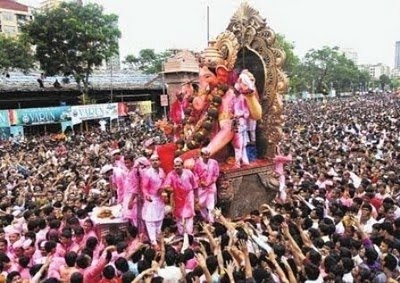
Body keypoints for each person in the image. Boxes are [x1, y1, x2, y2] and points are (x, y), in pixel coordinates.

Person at [163, 157, 198, 235]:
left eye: (179, 165)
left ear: (182, 166)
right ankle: (181, 233)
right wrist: (170, 189)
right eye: (175, 166)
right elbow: (166, 185)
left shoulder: (189, 173)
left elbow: (195, 186)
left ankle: (189, 233)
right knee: (179, 215)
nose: (177, 167)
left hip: (188, 197)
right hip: (177, 197)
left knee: (189, 215)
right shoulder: (171, 174)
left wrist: (196, 197)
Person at [141, 154, 166, 246]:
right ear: (150, 162)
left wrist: (163, 190)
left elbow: (164, 182)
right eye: (153, 160)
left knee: (159, 218)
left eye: (156, 160)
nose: (155, 162)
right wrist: (146, 195)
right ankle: (153, 240)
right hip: (151, 198)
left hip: (160, 198)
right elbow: (144, 187)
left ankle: (158, 236)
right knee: (150, 220)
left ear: (159, 161)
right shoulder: (148, 173)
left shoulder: (162, 171)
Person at [193, 148, 220, 223]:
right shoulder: (197, 163)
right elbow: (196, 175)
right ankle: (206, 218)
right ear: (201, 155)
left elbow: (216, 174)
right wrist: (200, 182)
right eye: (205, 155)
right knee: (201, 204)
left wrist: (211, 182)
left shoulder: (214, 162)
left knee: (211, 205)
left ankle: (211, 221)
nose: (207, 157)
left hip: (211, 186)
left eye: (208, 155)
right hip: (202, 187)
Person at [232, 84, 250, 168]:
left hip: (241, 123)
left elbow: (246, 113)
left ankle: (238, 162)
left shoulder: (243, 98)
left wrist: (238, 115)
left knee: (240, 144)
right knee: (239, 144)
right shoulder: (233, 98)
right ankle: (243, 161)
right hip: (235, 122)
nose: (234, 91)